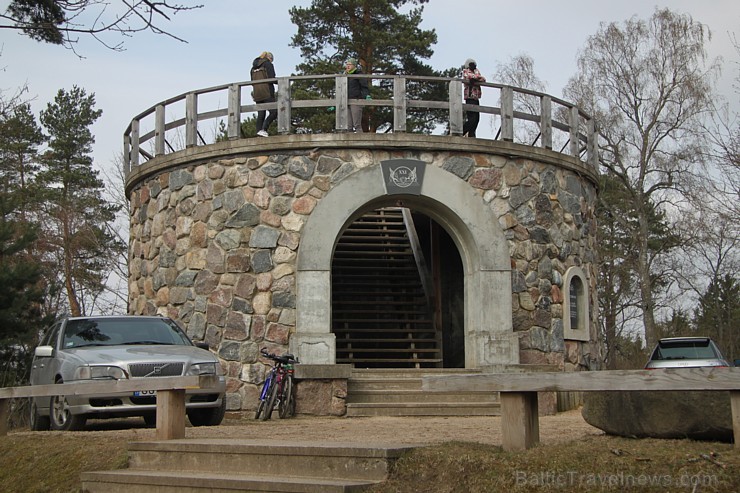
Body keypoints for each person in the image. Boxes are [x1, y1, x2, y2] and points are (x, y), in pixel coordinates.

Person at [252, 51, 277, 137]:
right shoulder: (268, 64)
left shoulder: (253, 67)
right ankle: (264, 129)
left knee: (261, 113)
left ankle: (258, 132)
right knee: (274, 112)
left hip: (257, 93)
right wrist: (281, 82)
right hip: (267, 91)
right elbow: (272, 78)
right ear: (269, 58)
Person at [344, 58, 370, 132]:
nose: (348, 66)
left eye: (350, 65)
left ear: (354, 65)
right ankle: (348, 142)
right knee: (348, 126)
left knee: (357, 124)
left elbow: (364, 86)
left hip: (356, 100)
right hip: (346, 100)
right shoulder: (344, 75)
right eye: (347, 64)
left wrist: (366, 95)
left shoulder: (358, 74)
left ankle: (360, 141)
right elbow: (341, 89)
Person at [462, 58, 486, 138]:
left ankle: (471, 134)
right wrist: (476, 78)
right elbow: (468, 77)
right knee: (472, 119)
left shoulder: (476, 71)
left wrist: (475, 78)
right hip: (469, 97)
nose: (473, 66)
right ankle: (462, 131)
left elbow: (482, 79)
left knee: (477, 119)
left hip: (476, 97)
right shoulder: (465, 71)